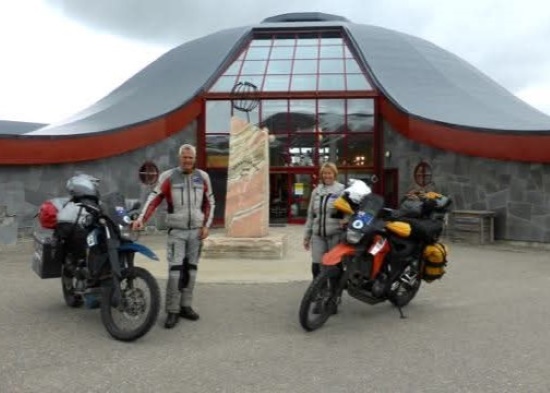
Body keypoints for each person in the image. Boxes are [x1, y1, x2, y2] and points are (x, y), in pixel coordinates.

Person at [132, 144, 215, 329]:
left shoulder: (203, 177)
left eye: (191, 158)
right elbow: (153, 199)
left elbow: (210, 202)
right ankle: (172, 310)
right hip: (176, 232)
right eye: (185, 157)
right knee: (175, 272)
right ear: (180, 158)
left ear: (195, 159)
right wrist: (141, 219)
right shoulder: (168, 177)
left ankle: (186, 306)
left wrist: (206, 225)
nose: (187, 161)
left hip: (196, 232)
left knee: (191, 271)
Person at [303, 162, 345, 279]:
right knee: (316, 265)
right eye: (325, 173)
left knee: (335, 265)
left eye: (329, 173)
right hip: (318, 235)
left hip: (335, 235)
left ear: (334, 174)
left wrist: (345, 220)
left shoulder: (341, 190)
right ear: (322, 175)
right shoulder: (316, 191)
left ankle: (334, 293)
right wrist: (307, 237)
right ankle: (317, 292)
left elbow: (347, 212)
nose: (327, 176)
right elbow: (311, 215)